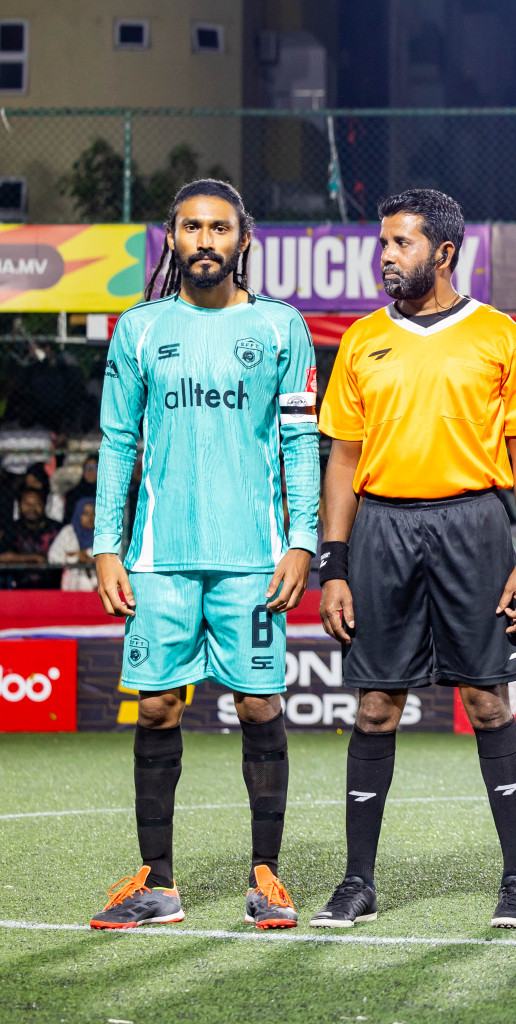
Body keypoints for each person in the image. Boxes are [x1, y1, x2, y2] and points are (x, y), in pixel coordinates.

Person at [313, 189, 516, 930]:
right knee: (375, 706)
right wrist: (334, 564)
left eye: (401, 243)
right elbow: (342, 457)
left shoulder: (499, 335)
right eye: (382, 243)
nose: (385, 256)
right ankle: (357, 882)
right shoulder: (361, 340)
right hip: (382, 528)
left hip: (475, 525)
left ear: (444, 252)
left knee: (487, 702)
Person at [88, 179, 319, 930]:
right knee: (157, 706)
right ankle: (156, 884)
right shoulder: (139, 329)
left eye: (220, 228)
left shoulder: (281, 327)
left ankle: (266, 877)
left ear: (242, 238)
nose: (206, 240)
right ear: (172, 238)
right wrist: (107, 546)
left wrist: (303, 539)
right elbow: (118, 442)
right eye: (192, 227)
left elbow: (299, 441)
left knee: (259, 704)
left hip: (253, 557)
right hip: (159, 557)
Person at [0, 487, 63, 587]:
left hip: (55, 587)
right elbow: (3, 556)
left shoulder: (57, 529)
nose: (32, 509)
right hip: (20, 587)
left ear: (44, 505)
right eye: (27, 504)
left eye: (36, 504)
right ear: (19, 505)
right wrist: (33, 558)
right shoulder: (13, 528)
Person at [48, 497, 96, 591]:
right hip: (71, 585)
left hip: (97, 582)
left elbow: (117, 556)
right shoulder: (68, 532)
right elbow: (52, 557)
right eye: (85, 513)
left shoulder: (105, 533)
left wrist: (88, 555)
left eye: (94, 513)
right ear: (78, 514)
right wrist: (76, 558)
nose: (90, 517)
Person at [64, 455, 97, 521]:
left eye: (94, 467)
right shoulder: (73, 495)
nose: (90, 470)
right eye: (86, 467)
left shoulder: (108, 494)